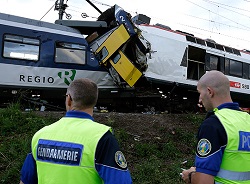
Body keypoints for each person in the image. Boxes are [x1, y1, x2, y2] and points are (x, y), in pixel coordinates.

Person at [20, 78, 133, 184]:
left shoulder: (40, 136)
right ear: (94, 102)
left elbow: (25, 181)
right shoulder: (102, 138)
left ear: (69, 99)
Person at [181, 70, 250, 184]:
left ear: (209, 92)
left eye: (200, 93)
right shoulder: (247, 119)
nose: (199, 99)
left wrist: (190, 175)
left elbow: (203, 182)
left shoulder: (213, 124)